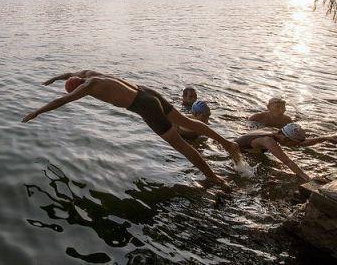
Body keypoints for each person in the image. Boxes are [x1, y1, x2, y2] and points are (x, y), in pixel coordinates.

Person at [21, 70, 245, 189]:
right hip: (148, 92)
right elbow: (68, 72)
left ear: (79, 86)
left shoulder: (89, 86)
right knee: (188, 122)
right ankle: (228, 144)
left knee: (180, 144)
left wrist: (38, 112)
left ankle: (213, 177)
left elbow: (63, 100)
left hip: (143, 105)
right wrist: (54, 78)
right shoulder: (88, 73)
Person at [236, 123, 336, 182]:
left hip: (251, 151)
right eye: (294, 143)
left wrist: (325, 138)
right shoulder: (269, 141)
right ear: (286, 139)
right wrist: (308, 179)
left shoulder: (276, 132)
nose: (295, 146)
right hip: (238, 153)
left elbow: (302, 143)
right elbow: (287, 161)